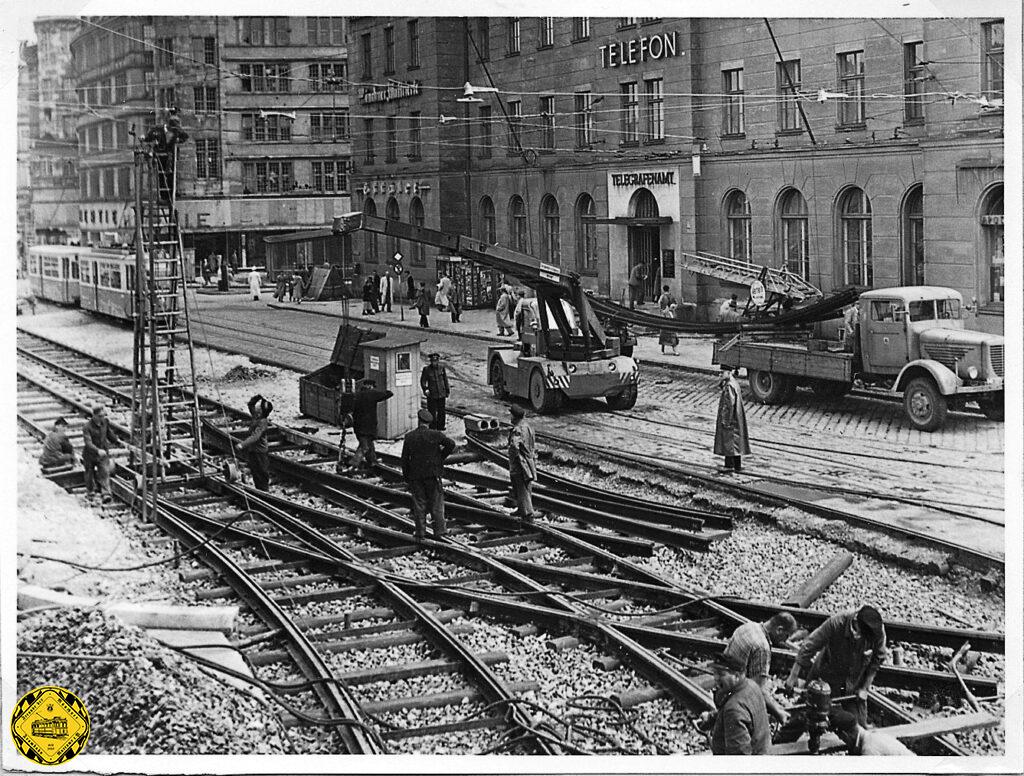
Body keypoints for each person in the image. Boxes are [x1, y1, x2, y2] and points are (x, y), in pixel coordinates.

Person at [785, 605, 887, 726]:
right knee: (803, 716)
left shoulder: (876, 630)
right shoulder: (837, 623)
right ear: (856, 623)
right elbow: (808, 647)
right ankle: (782, 741)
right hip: (825, 678)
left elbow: (877, 659)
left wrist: (864, 688)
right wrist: (793, 676)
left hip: (853, 685)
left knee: (859, 728)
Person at [724, 613, 798, 725]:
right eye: (786, 636)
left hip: (724, 679)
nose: (785, 641)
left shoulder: (748, 626)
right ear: (779, 630)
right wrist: (778, 712)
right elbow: (758, 691)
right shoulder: (762, 647)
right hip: (734, 695)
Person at [400, 409, 456, 541]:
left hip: (416, 475)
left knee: (419, 504)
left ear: (418, 421)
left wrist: (406, 476)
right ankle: (440, 531)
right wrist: (440, 458)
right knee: (436, 503)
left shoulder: (409, 436)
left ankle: (420, 532)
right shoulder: (436, 435)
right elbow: (451, 444)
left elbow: (404, 459)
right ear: (429, 423)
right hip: (433, 474)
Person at [709, 651, 771, 755]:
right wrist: (711, 717)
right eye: (715, 673)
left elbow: (739, 757)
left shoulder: (733, 709)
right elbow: (744, 713)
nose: (715, 678)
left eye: (721, 674)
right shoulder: (751, 685)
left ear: (736, 676)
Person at [344, 378, 394, 474]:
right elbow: (389, 393)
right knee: (365, 447)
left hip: (358, 426)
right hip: (369, 426)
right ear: (371, 386)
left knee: (368, 443)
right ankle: (353, 464)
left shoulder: (357, 395)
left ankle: (372, 461)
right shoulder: (373, 394)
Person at [142, 109, 189, 201]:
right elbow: (149, 137)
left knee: (171, 175)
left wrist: (178, 140)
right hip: (160, 156)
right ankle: (164, 195)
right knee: (162, 176)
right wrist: (144, 138)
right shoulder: (158, 129)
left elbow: (185, 136)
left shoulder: (176, 131)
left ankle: (171, 194)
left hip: (171, 156)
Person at [507, 404, 542, 521]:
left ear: (515, 417)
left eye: (511, 415)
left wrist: (513, 459)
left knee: (520, 486)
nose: (510, 417)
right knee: (526, 486)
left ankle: (527, 514)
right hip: (529, 460)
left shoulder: (518, 429)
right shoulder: (527, 427)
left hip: (520, 462)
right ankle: (522, 509)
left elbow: (514, 446)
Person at [828, 709, 914, 756]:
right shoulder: (874, 735)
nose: (843, 740)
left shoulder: (869, 750)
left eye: (842, 738)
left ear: (845, 735)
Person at [714, 367, 750, 473]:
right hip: (736, 417)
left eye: (722, 373)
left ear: (728, 373)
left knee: (728, 441)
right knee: (735, 442)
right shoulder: (733, 382)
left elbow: (728, 405)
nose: (720, 375)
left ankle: (729, 465)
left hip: (731, 417)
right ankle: (736, 465)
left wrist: (726, 420)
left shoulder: (729, 386)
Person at [82, 405, 118, 502]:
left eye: (103, 416)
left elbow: (109, 434)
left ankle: (106, 493)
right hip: (90, 454)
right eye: (99, 416)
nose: (101, 418)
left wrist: (117, 441)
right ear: (94, 415)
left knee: (104, 472)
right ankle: (90, 492)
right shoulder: (87, 427)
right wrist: (97, 450)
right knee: (89, 473)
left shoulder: (105, 422)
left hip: (103, 454)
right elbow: (88, 442)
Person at [237, 394, 272, 491]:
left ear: (261, 411)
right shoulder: (256, 416)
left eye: (259, 406)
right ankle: (259, 490)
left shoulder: (263, 422)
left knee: (262, 472)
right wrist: (258, 397)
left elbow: (255, 436)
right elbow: (250, 404)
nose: (256, 406)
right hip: (253, 451)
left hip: (260, 452)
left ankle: (264, 491)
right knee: (256, 472)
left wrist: (242, 444)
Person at [420, 353, 451, 431]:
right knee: (432, 411)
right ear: (431, 361)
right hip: (432, 394)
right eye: (433, 361)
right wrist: (425, 389)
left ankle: (441, 426)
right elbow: (423, 381)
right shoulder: (426, 369)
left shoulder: (441, 368)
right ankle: (432, 427)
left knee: (442, 411)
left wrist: (447, 391)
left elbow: (445, 380)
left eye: (436, 361)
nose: (435, 362)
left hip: (441, 393)